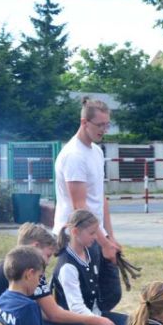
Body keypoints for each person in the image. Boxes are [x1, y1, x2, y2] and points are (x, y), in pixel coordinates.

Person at [53, 96, 123, 311]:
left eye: (107, 125)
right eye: (100, 125)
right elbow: (80, 207)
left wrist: (110, 237)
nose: (104, 130)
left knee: (109, 295)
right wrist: (103, 242)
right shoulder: (74, 155)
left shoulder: (96, 151)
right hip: (77, 234)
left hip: (95, 233)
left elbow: (100, 198)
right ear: (84, 122)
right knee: (80, 299)